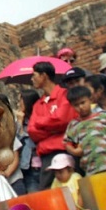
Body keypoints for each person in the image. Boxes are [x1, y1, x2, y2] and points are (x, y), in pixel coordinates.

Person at [27, 61, 78, 190]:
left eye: (34, 75)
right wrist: (55, 127)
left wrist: (41, 123)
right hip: (47, 156)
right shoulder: (38, 104)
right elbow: (32, 131)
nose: (32, 79)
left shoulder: (65, 94)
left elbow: (63, 119)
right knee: (47, 191)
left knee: (75, 188)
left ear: (44, 75)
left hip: (67, 149)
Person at [64, 86, 106, 176]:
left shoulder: (103, 117)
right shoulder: (74, 124)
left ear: (90, 100)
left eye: (83, 102)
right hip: (91, 169)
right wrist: (74, 151)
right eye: (76, 105)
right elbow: (67, 143)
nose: (81, 107)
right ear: (72, 106)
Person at [18, 89, 41, 194]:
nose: (19, 104)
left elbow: (34, 140)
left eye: (21, 101)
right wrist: (19, 124)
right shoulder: (20, 122)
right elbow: (16, 144)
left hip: (42, 165)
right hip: (28, 168)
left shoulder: (39, 119)